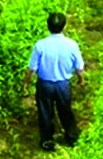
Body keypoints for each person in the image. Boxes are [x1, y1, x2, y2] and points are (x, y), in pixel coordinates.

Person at [22, 12, 84, 150]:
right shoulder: (72, 45)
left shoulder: (40, 45)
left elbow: (31, 68)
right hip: (63, 85)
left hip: (45, 84)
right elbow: (79, 67)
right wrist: (81, 80)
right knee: (66, 110)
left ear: (48, 26)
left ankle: (47, 140)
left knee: (45, 112)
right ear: (64, 26)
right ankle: (71, 137)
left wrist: (26, 83)